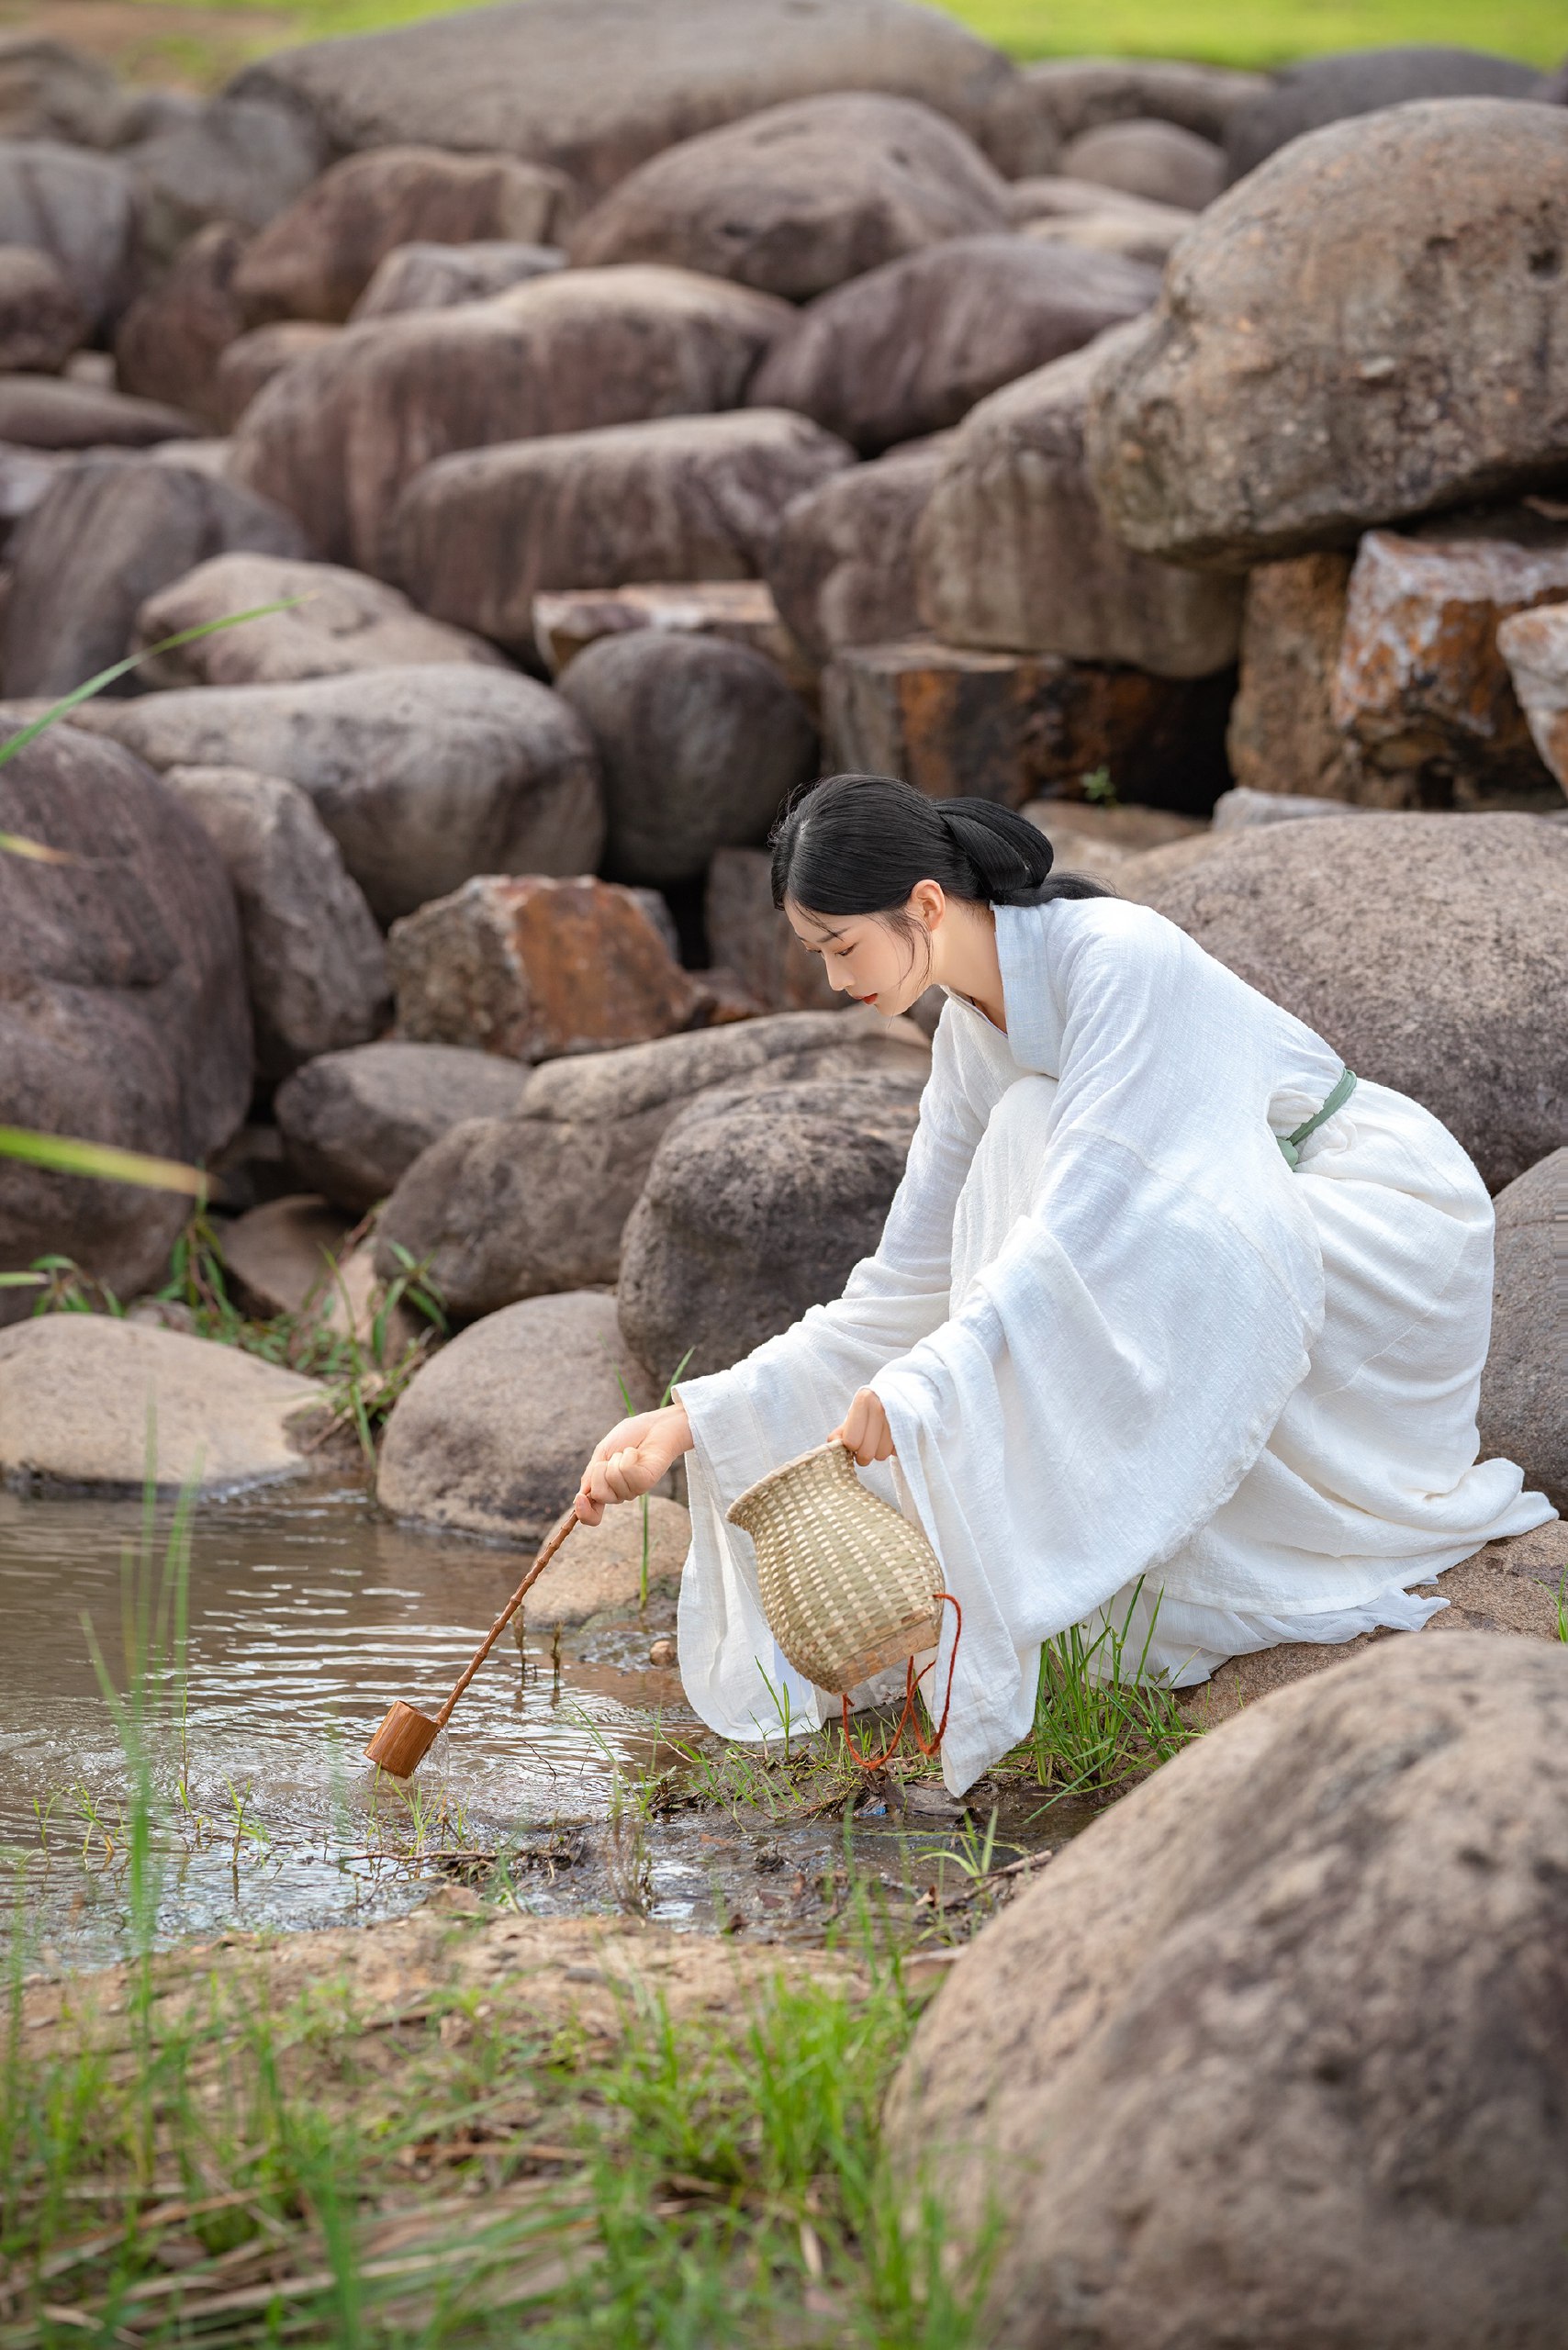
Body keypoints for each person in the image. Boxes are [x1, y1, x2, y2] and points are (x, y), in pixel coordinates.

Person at [576, 774, 1554, 1793]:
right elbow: (903, 1284)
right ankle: (1107, 1542)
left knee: (1033, 1131)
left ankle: (1150, 1536)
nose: (832, 981)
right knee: (1022, 1127)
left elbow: (1089, 1230)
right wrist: (695, 1418)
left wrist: (923, 1389)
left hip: (1369, 1221)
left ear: (921, 904)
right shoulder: (968, 1031)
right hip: (1217, 1222)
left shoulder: (1117, 958)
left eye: (839, 947)